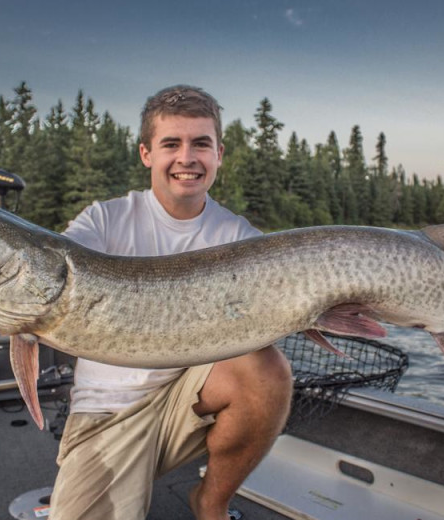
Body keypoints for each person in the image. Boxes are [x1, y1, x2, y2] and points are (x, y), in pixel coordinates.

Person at [49, 85, 294, 520]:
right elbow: (53, 272)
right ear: (147, 154)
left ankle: (211, 502)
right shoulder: (104, 219)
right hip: (108, 409)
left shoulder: (239, 236)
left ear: (219, 153)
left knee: (266, 368)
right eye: (171, 144)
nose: (187, 158)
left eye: (201, 143)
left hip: (189, 396)